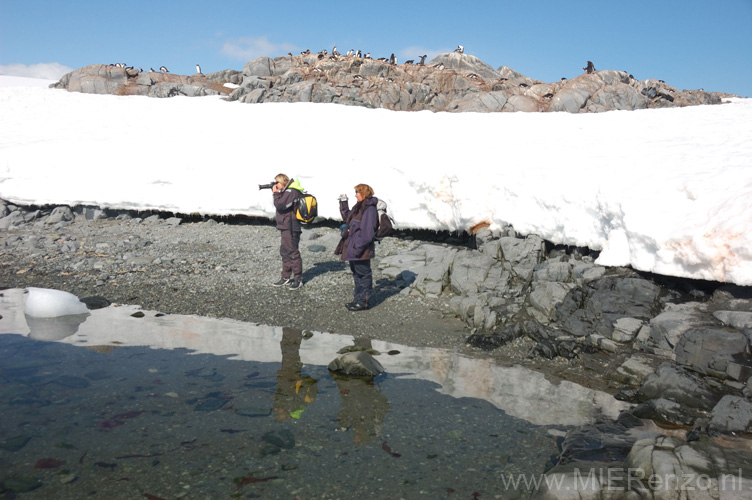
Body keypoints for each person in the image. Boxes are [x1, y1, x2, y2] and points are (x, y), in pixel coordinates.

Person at [336, 183, 379, 311]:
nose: (355, 195)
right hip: (354, 247)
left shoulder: (369, 209)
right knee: (357, 274)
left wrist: (357, 248)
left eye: (357, 193)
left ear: (363, 193)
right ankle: (358, 299)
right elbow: (348, 218)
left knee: (364, 275)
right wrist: (343, 203)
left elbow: (367, 233)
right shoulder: (360, 206)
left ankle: (363, 302)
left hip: (360, 249)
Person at [272, 173, 303, 290]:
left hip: (291, 227)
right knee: (284, 251)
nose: (276, 185)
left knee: (292, 252)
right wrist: (279, 193)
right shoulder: (287, 192)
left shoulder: (291, 192)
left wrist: (275, 194)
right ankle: (285, 277)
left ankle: (298, 279)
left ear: (283, 182)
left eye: (277, 182)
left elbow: (280, 205)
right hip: (285, 226)